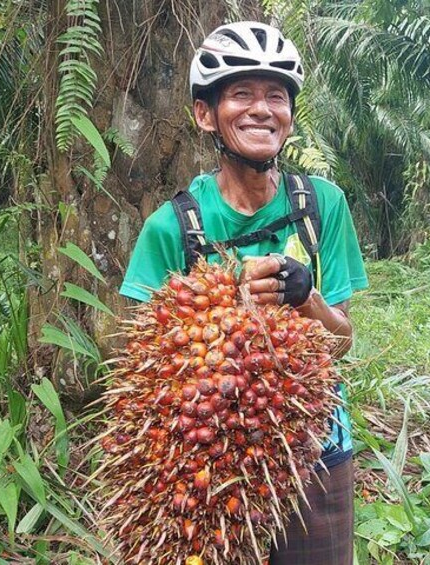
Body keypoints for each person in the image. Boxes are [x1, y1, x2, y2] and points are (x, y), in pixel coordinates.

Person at [119, 21, 368, 564]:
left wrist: (308, 300)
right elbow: (141, 368)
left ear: (290, 115)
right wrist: (224, 294)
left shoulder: (323, 205)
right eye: (241, 94)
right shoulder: (172, 227)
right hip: (205, 469)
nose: (261, 109)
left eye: (275, 96)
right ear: (205, 114)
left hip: (315, 452)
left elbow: (343, 342)